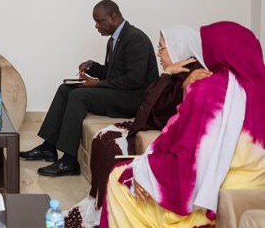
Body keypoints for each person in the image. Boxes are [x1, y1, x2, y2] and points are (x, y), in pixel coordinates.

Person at [103, 21, 265, 227]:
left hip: (210, 199)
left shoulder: (209, 88)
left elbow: (186, 151)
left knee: (119, 177)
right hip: (254, 194)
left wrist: (141, 172)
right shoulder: (258, 90)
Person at [65, 25, 205, 228]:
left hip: (157, 126)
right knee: (101, 137)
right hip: (148, 119)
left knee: (108, 143)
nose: (158, 54)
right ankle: (99, 204)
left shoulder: (188, 77)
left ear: (178, 49)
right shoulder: (178, 74)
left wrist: (166, 74)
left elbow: (150, 106)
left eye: (162, 48)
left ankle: (110, 209)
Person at [20, 0, 158, 177]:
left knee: (79, 96)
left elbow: (134, 80)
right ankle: (48, 147)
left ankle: (69, 161)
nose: (96, 26)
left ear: (113, 16)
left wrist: (98, 83)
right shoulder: (114, 39)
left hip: (134, 98)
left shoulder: (135, 39)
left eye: (100, 21)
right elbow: (113, 73)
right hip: (121, 92)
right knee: (65, 89)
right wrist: (93, 66)